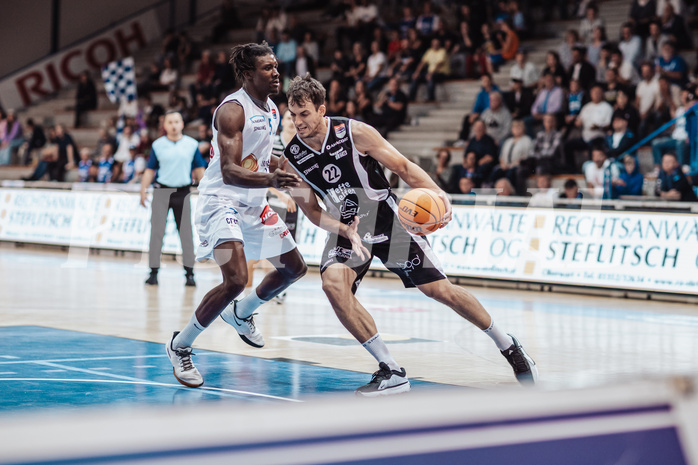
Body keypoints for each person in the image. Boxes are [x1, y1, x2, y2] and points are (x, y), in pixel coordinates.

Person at [281, 74, 537, 396]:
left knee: (440, 291)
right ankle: (391, 371)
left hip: (385, 218)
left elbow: (402, 166)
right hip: (348, 227)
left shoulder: (355, 132)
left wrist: (438, 194)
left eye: (304, 114)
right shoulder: (292, 159)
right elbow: (313, 212)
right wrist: (343, 228)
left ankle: (508, 344)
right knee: (333, 285)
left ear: (321, 109)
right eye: (293, 114)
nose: (298, 121)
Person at [165, 43, 307, 388]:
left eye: (276, 66)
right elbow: (229, 170)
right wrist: (274, 180)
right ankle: (180, 345)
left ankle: (240, 313)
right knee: (236, 279)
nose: (276, 73)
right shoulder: (231, 111)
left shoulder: (272, 109)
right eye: (267, 68)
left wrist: (293, 170)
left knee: (294, 268)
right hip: (221, 202)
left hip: (254, 204)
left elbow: (259, 157)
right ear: (247, 73)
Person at [140, 110, 204, 287]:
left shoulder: (191, 145)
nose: (174, 125)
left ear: (182, 124)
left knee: (186, 234)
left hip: (182, 192)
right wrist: (143, 190)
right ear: (165, 125)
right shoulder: (158, 145)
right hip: (161, 192)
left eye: (177, 121)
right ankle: (153, 273)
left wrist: (206, 190)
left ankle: (189, 274)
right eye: (170, 122)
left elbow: (199, 169)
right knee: (156, 234)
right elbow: (150, 170)